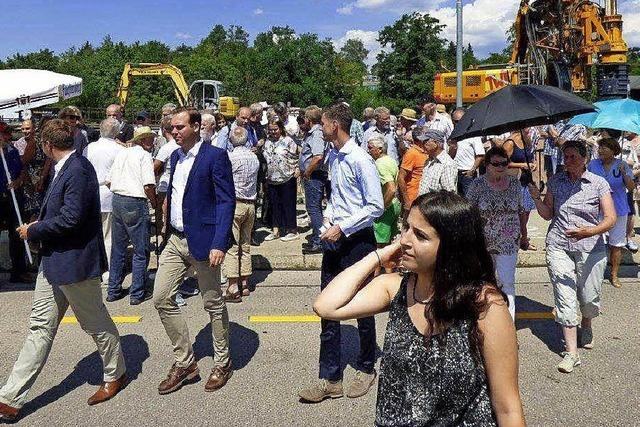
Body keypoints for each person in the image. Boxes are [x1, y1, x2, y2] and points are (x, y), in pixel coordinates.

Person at [313, 191, 525, 426]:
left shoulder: (484, 304)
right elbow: (325, 306)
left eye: (420, 236)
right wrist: (378, 256)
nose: (404, 240)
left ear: (452, 247)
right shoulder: (394, 288)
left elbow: (507, 408)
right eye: (406, 228)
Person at [0, 119, 127, 422]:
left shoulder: (79, 170)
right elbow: (61, 212)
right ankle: (10, 397)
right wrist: (37, 225)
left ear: (46, 145)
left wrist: (35, 230)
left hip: (76, 264)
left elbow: (71, 218)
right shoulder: (66, 167)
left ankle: (116, 372)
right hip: (53, 262)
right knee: (39, 328)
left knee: (95, 324)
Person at [298, 103, 384, 404]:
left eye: (323, 123)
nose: (320, 127)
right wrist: (326, 221)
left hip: (358, 239)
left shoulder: (360, 159)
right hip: (335, 236)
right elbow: (337, 197)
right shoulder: (334, 155)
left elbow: (375, 206)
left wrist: (343, 227)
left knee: (362, 306)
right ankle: (330, 377)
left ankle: (365, 366)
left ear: (335, 124)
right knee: (328, 306)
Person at [152, 107, 236, 395]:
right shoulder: (175, 157)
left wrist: (219, 242)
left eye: (179, 127)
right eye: (171, 128)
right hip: (175, 240)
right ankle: (185, 363)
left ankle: (223, 362)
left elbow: (226, 201)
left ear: (197, 126)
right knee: (161, 297)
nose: (174, 132)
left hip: (204, 241)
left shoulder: (215, 156)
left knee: (212, 303)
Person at [528, 140, 616, 373]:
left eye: (572, 157)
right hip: (558, 244)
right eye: (564, 157)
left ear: (585, 158)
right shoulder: (556, 181)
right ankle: (572, 353)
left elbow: (610, 218)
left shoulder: (598, 184)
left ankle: (586, 323)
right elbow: (547, 215)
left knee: (588, 298)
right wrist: (537, 198)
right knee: (564, 295)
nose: (567, 161)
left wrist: (588, 231)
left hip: (591, 246)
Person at [467, 146, 524, 320]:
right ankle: (485, 321)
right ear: (487, 165)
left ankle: (508, 322)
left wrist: (525, 234)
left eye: (504, 163)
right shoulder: (477, 185)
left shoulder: (515, 183)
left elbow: (521, 211)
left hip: (508, 242)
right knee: (485, 283)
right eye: (496, 163)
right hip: (483, 242)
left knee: (507, 283)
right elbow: (468, 212)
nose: (501, 167)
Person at [105, 126, 157, 304]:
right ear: (143, 140)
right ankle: (137, 293)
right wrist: (154, 202)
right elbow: (148, 184)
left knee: (118, 249)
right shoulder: (144, 155)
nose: (152, 141)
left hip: (118, 199)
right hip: (135, 200)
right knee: (140, 250)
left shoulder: (122, 153)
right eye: (150, 138)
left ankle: (113, 290)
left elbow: (109, 180)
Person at [587, 138, 635, 288]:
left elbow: (631, 187)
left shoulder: (622, 164)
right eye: (600, 147)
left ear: (614, 151)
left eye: (605, 148)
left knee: (616, 244)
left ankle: (614, 275)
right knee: (596, 242)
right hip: (596, 209)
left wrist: (624, 174)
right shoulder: (593, 164)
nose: (600, 150)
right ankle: (595, 273)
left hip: (618, 210)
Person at [83, 118, 126, 284]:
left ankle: (93, 268)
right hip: (109, 192)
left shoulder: (89, 147)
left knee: (93, 234)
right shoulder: (119, 150)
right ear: (116, 132)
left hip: (91, 193)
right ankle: (109, 270)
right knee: (109, 235)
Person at [223, 127, 260, 302]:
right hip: (251, 204)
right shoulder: (254, 158)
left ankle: (232, 286)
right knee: (245, 245)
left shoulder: (230, 158)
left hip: (235, 203)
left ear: (231, 140)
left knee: (232, 246)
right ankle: (245, 282)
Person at [0, 122, 30, 283]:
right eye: (4, 134)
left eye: (7, 134)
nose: (7, 137)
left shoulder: (12, 150)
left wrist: (18, 181)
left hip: (13, 197)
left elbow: (22, 171)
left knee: (16, 233)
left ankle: (18, 271)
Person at [262, 117, 299, 242]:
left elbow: (297, 155)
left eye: (275, 129)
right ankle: (275, 230)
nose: (273, 132)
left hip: (287, 177)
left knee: (288, 204)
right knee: (274, 205)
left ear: (281, 128)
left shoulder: (288, 141)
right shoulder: (267, 142)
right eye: (271, 130)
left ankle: (292, 229)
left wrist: (297, 169)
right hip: (272, 178)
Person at [367, 135, 401, 266]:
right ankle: (388, 274)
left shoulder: (380, 164)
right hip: (394, 205)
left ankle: (376, 278)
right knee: (388, 245)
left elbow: (391, 188)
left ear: (380, 149)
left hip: (386, 208)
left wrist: (382, 207)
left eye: (370, 148)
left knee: (379, 247)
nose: (368, 150)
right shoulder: (391, 160)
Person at [299, 106, 329, 254]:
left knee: (313, 208)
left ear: (308, 119)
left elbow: (318, 156)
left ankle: (319, 241)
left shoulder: (317, 134)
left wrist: (307, 171)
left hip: (314, 176)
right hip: (312, 175)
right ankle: (318, 238)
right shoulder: (312, 133)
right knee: (314, 207)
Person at [502, 130, 537, 251]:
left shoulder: (526, 140)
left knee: (526, 212)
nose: (530, 129)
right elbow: (502, 162)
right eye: (528, 126)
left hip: (526, 180)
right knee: (517, 214)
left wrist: (533, 164)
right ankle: (514, 239)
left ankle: (523, 239)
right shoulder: (510, 143)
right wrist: (521, 165)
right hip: (515, 183)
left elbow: (530, 157)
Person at [14, 119, 51, 223]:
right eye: (23, 129)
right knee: (36, 210)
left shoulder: (35, 141)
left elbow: (25, 160)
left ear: (34, 129)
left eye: (28, 128)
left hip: (35, 181)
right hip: (35, 180)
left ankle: (32, 235)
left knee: (34, 210)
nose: (26, 131)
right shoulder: (40, 140)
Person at [449, 108, 485, 196]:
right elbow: (450, 156)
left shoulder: (473, 135)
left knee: (470, 200)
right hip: (454, 172)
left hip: (467, 174)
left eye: (459, 121)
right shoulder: (452, 135)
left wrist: (472, 170)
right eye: (455, 121)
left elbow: (480, 155)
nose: (457, 124)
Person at [417, 129, 457, 195]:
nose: (423, 144)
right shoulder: (429, 161)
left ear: (436, 143)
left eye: (425, 141)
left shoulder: (447, 164)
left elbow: (449, 195)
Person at [398, 126, 428, 210]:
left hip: (422, 197)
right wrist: (406, 200)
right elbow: (401, 178)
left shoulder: (425, 152)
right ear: (421, 138)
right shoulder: (412, 153)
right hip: (412, 198)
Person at [621, 132, 639, 253]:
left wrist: (630, 174)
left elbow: (634, 163)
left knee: (630, 209)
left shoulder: (632, 144)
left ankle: (628, 237)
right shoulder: (622, 141)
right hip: (620, 181)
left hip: (633, 179)